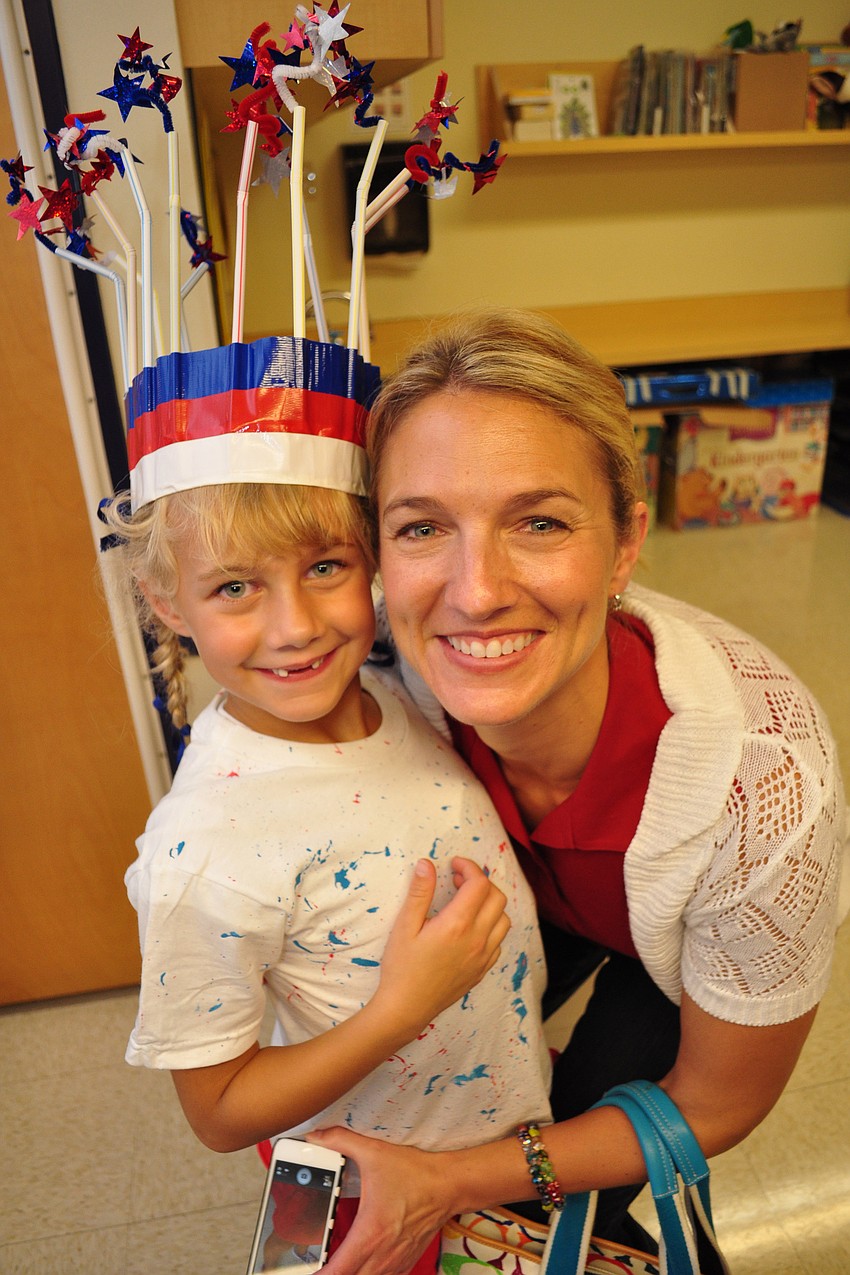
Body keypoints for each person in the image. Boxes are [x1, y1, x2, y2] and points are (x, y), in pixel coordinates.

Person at [306, 308, 849, 1275]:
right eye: (423, 526)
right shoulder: (374, 670)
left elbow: (716, 1101)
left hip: (672, 942)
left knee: (585, 1165)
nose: (476, 591)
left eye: (541, 521)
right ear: (377, 553)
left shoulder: (761, 780)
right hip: (518, 888)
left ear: (626, 541)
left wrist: (457, 1182)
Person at [106, 333, 553, 1275]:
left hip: (488, 1155)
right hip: (356, 1194)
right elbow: (219, 1112)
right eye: (235, 586)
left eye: (325, 567)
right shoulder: (206, 851)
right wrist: (398, 1010)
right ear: (166, 602)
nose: (296, 626)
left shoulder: (396, 687)